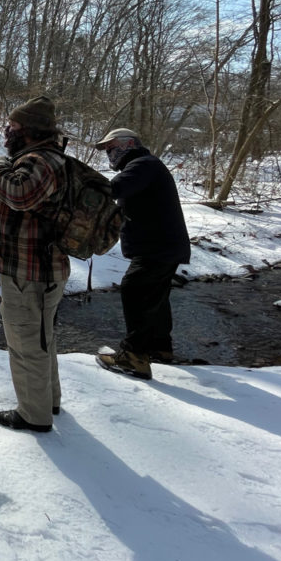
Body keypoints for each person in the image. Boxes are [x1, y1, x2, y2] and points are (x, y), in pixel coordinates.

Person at [0, 96, 68, 433]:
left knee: (25, 341)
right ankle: (49, 402)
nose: (7, 131)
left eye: (13, 126)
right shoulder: (42, 157)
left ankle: (33, 415)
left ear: (28, 130)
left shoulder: (41, 160)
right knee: (41, 337)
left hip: (30, 273)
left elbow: (19, 195)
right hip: (36, 271)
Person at [93, 128, 191, 380]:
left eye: (112, 148)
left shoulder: (142, 164)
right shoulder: (145, 165)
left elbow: (116, 188)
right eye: (107, 150)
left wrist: (86, 184)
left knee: (134, 290)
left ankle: (133, 356)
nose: (110, 154)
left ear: (129, 144)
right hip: (164, 246)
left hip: (157, 247)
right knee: (155, 296)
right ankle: (160, 348)